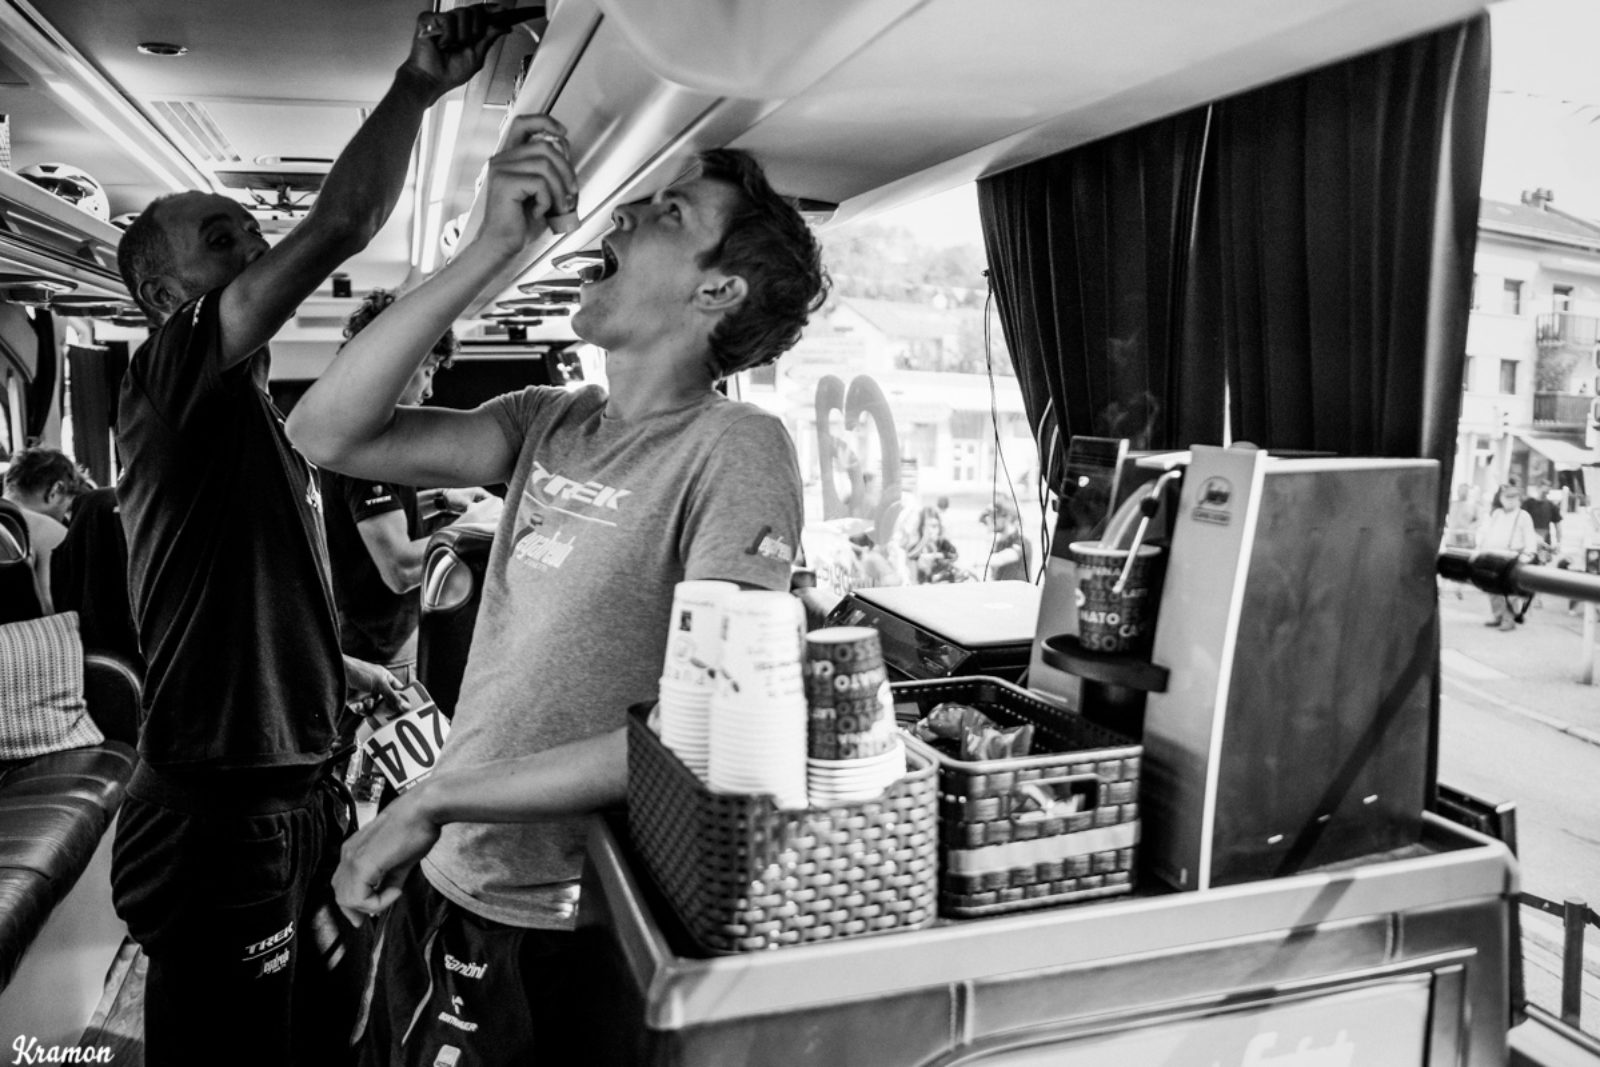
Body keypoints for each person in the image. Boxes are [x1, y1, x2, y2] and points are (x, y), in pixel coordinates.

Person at [286, 119, 827, 1065]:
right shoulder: (551, 419)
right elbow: (325, 431)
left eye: (670, 213)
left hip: (566, 914)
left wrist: (432, 799)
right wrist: (488, 251)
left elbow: (707, 726)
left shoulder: (736, 447)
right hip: (453, 869)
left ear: (717, 290)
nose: (625, 214)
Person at [108, 10, 507, 1065]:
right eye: (222, 240)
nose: (253, 246)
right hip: (217, 818)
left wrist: (338, 666)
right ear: (163, 297)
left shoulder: (256, 418)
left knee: (323, 1032)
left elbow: (246, 594)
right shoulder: (166, 379)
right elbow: (342, 220)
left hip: (295, 795)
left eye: (251, 230)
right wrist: (417, 87)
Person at [322, 289, 503, 688]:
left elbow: (367, 519)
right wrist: (472, 527)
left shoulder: (350, 425)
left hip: (377, 638)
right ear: (400, 362)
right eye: (429, 370)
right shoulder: (361, 444)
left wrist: (440, 500)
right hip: (381, 651)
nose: (430, 389)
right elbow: (399, 568)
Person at [2, 445, 92, 614]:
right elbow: (50, 609)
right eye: (68, 506)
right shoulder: (47, 531)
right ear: (55, 490)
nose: (66, 517)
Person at [1476, 482, 1536, 631]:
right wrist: (1481, 550)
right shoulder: (1497, 514)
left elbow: (1530, 538)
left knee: (1509, 591)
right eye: (1506, 497)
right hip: (1493, 555)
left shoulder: (1523, 516)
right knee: (1492, 588)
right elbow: (1488, 532)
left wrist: (1528, 556)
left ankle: (1509, 620)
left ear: (1518, 500)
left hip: (1512, 557)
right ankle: (1498, 616)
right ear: (1501, 499)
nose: (1509, 500)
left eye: (1513, 498)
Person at [904, 505, 960, 583]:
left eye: (934, 526)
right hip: (923, 583)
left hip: (943, 581)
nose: (930, 530)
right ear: (922, 528)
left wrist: (938, 555)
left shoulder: (942, 542)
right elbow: (910, 556)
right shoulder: (918, 545)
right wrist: (924, 540)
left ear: (939, 528)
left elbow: (954, 555)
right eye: (927, 527)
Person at [982, 498, 1031, 581]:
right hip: (1002, 588)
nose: (991, 521)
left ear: (1007, 518)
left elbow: (1001, 559)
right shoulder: (1001, 542)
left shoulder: (1022, 541)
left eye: (994, 517)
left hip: (1017, 588)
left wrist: (974, 562)